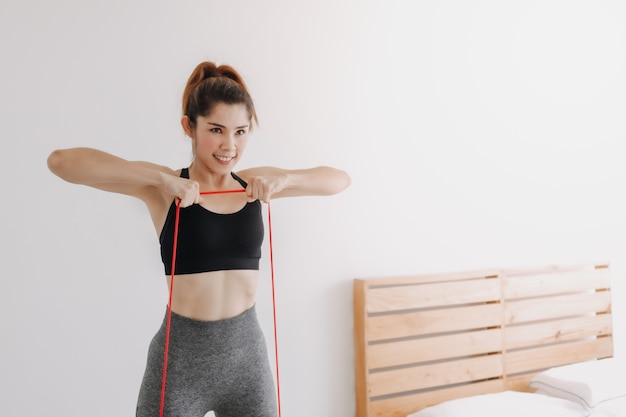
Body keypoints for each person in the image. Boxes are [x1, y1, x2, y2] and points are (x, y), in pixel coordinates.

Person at [47, 61, 351, 417]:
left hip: (247, 362)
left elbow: (339, 180)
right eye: (216, 130)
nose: (229, 145)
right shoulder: (165, 189)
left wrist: (285, 180)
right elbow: (62, 162)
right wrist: (162, 179)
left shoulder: (251, 185)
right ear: (189, 127)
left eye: (240, 131)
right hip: (180, 364)